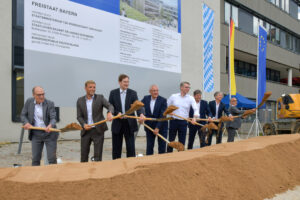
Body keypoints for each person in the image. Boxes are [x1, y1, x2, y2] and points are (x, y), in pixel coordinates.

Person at [109, 74, 145, 159]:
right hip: (117, 123)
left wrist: (141, 114)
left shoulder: (133, 93)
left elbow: (138, 105)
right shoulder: (113, 93)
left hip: (130, 124)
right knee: (116, 148)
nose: (127, 83)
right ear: (119, 82)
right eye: (125, 82)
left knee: (131, 148)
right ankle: (116, 166)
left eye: (128, 82)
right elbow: (111, 106)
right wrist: (115, 113)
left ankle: (131, 167)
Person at [77, 80, 114, 162]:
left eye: (94, 87)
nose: (93, 89)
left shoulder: (100, 98)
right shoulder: (80, 101)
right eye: (90, 87)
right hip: (86, 131)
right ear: (85, 88)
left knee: (97, 156)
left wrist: (109, 113)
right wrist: (83, 124)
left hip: (98, 131)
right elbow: (79, 116)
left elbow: (110, 106)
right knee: (83, 155)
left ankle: (97, 173)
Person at [21, 86, 58, 166]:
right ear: (33, 95)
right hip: (35, 133)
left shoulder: (50, 103)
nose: (41, 97)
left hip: (49, 133)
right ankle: (34, 177)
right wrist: (26, 123)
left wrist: (50, 125)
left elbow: (53, 118)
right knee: (35, 159)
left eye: (43, 94)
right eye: (39, 95)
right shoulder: (29, 102)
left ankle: (54, 177)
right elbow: (23, 115)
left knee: (51, 158)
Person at [167, 81, 198, 153]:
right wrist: (169, 112)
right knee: (171, 140)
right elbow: (166, 106)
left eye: (189, 87)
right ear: (181, 88)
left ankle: (181, 156)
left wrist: (194, 118)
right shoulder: (173, 96)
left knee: (182, 141)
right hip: (173, 121)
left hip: (183, 122)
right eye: (186, 87)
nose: (188, 89)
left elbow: (196, 109)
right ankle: (168, 155)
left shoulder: (191, 98)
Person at [141, 84, 168, 155]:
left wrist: (157, 127)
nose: (156, 92)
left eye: (157, 90)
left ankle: (161, 162)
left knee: (162, 147)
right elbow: (139, 107)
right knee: (149, 146)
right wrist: (141, 115)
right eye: (154, 91)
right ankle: (149, 162)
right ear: (150, 92)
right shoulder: (145, 98)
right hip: (149, 126)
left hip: (161, 126)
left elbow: (163, 115)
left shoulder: (163, 100)